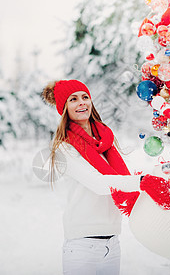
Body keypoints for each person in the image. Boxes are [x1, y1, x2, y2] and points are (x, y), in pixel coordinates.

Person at [42, 79, 142, 275]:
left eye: (85, 97)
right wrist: (141, 182)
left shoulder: (105, 143)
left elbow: (120, 178)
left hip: (112, 244)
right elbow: (99, 183)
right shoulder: (65, 148)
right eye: (73, 99)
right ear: (64, 108)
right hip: (82, 247)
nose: (82, 102)